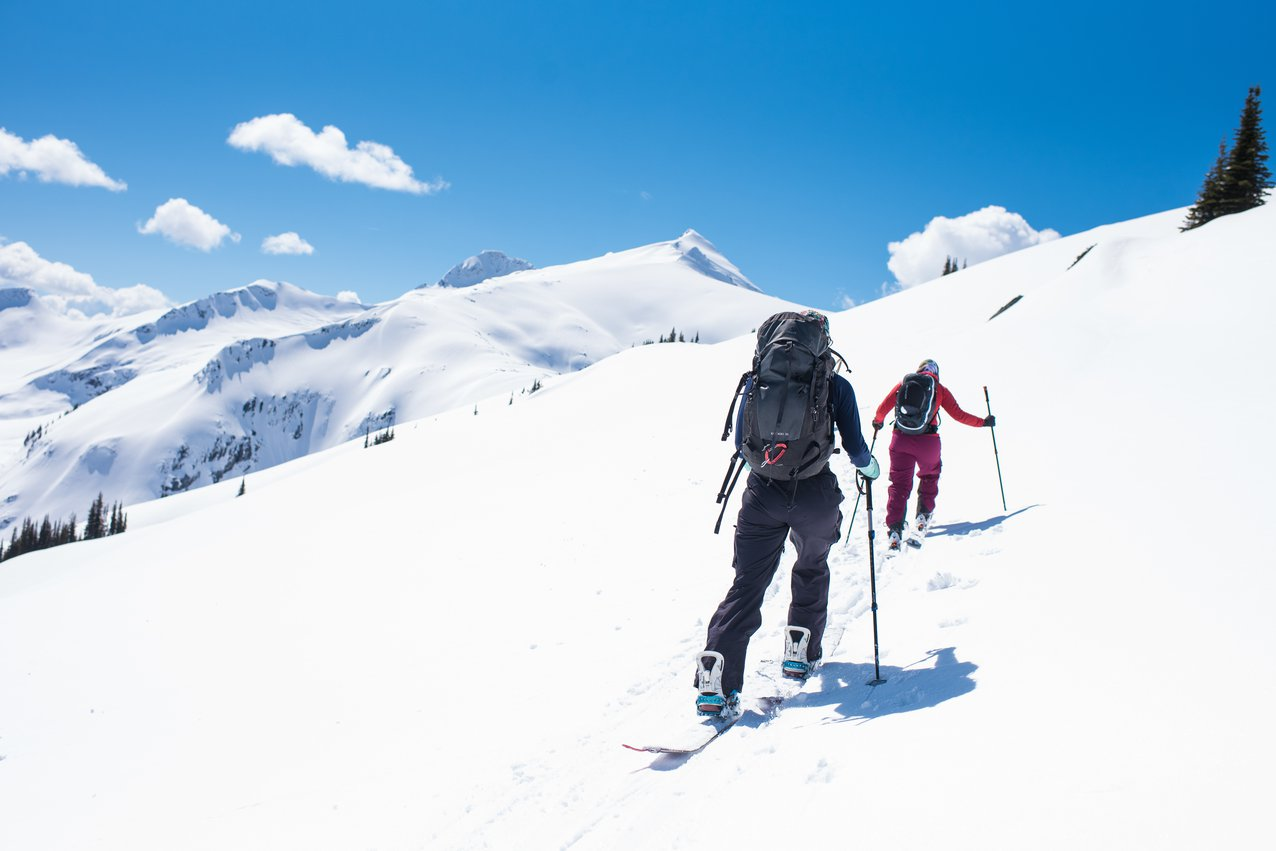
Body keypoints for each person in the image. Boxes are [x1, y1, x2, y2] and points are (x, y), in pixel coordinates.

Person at [696, 312, 879, 717]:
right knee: (811, 566)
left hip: (762, 492)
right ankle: (800, 646)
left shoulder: (756, 382)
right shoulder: (835, 386)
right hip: (814, 493)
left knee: (746, 585)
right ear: (822, 343)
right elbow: (856, 449)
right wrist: (870, 469)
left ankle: (716, 674)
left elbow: (745, 441)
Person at [871, 359, 995, 551]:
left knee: (899, 484)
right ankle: (922, 518)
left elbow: (882, 408)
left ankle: (895, 531)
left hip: (900, 440)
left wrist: (878, 422)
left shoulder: (905, 383)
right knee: (930, 475)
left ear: (919, 370)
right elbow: (959, 415)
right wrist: (983, 422)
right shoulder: (939, 389)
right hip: (928, 442)